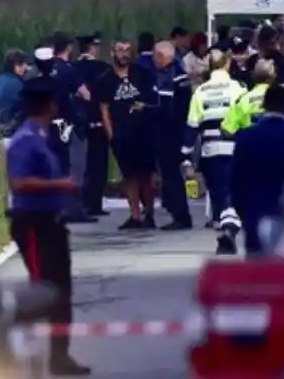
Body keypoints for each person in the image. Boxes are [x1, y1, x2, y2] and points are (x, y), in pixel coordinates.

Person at [5, 76, 92, 377]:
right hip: (33, 224)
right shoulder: (25, 140)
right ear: (49, 105)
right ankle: (13, 353)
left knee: (61, 291)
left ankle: (59, 356)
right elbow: (19, 183)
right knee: (41, 292)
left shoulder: (42, 137)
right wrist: (61, 184)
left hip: (52, 223)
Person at [231, 85, 284, 255]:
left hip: (255, 216)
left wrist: (241, 211)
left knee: (257, 274)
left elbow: (236, 180)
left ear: (264, 106)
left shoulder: (246, 138)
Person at [96, 38, 159, 229]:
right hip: (122, 135)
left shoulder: (142, 74)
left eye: (127, 50)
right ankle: (135, 216)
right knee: (129, 176)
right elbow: (104, 109)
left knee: (147, 176)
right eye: (120, 50)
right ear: (113, 53)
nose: (123, 54)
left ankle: (150, 212)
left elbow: (154, 100)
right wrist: (111, 135)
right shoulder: (105, 79)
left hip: (144, 132)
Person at [182, 49, 247, 233]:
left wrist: (186, 157)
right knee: (232, 185)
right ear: (227, 64)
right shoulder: (238, 88)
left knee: (216, 187)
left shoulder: (200, 91)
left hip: (209, 148)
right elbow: (246, 117)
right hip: (233, 145)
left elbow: (192, 126)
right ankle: (231, 219)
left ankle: (218, 217)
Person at [50, 32, 96, 224]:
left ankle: (58, 208)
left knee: (58, 167)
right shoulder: (69, 69)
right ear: (68, 47)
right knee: (77, 167)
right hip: (72, 124)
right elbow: (86, 95)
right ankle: (73, 209)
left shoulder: (47, 68)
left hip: (51, 124)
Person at [152, 41, 193, 230]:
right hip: (174, 131)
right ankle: (176, 211)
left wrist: (148, 110)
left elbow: (169, 108)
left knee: (171, 175)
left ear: (161, 57)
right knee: (170, 174)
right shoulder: (178, 72)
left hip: (170, 133)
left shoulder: (171, 75)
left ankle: (180, 215)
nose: (153, 60)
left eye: (155, 56)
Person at [75, 32, 112, 216]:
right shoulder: (103, 68)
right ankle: (95, 203)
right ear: (93, 48)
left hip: (80, 123)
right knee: (99, 165)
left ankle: (83, 202)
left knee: (82, 164)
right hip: (99, 121)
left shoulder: (73, 68)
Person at [221, 60, 284, 135]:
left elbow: (227, 129)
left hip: (253, 149)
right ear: (274, 76)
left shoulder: (243, 100)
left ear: (253, 76)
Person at [0, 49, 29, 139]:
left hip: (4, 126)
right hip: (16, 130)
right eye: (22, 64)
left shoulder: (1, 80)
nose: (25, 67)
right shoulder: (16, 84)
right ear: (15, 65)